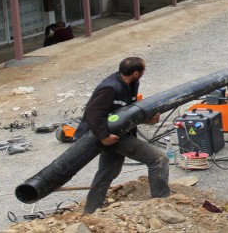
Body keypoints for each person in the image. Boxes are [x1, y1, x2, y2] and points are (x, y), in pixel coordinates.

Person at [73, 57, 170, 214]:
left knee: (108, 172)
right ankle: (161, 204)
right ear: (136, 73)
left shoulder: (131, 84)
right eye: (143, 70)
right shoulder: (110, 88)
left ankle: (91, 211)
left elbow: (128, 111)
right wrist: (104, 136)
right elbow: (93, 113)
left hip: (117, 132)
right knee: (158, 159)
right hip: (108, 135)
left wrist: (148, 119)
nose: (144, 73)